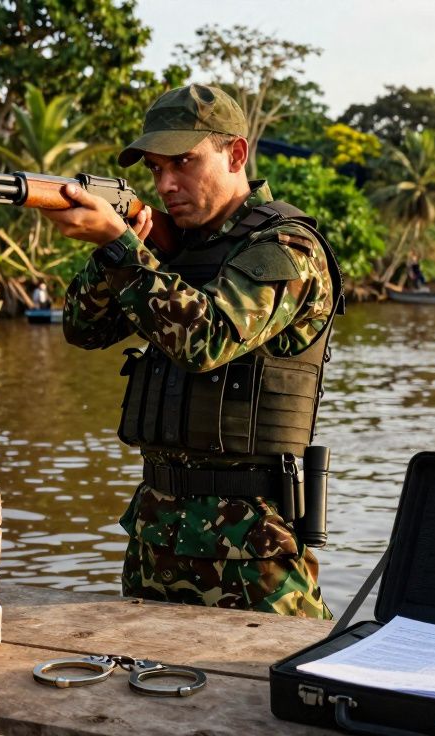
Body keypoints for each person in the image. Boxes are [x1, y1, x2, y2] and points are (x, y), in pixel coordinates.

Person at [42, 84, 340, 619]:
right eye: (156, 169)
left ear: (236, 153)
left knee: (258, 695)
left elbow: (208, 339)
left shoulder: (286, 247)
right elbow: (83, 330)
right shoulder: (166, 248)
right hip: (155, 536)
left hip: (251, 551)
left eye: (183, 162)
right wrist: (115, 251)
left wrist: (121, 250)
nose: (168, 183)